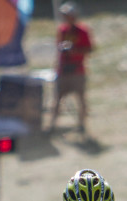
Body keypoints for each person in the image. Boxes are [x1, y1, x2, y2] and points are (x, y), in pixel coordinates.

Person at [48, 2, 93, 135]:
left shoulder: (82, 31)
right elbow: (58, 48)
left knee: (81, 99)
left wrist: (74, 50)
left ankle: (82, 124)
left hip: (77, 70)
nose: (66, 18)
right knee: (57, 99)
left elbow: (89, 49)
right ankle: (52, 126)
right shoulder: (62, 31)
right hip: (63, 70)